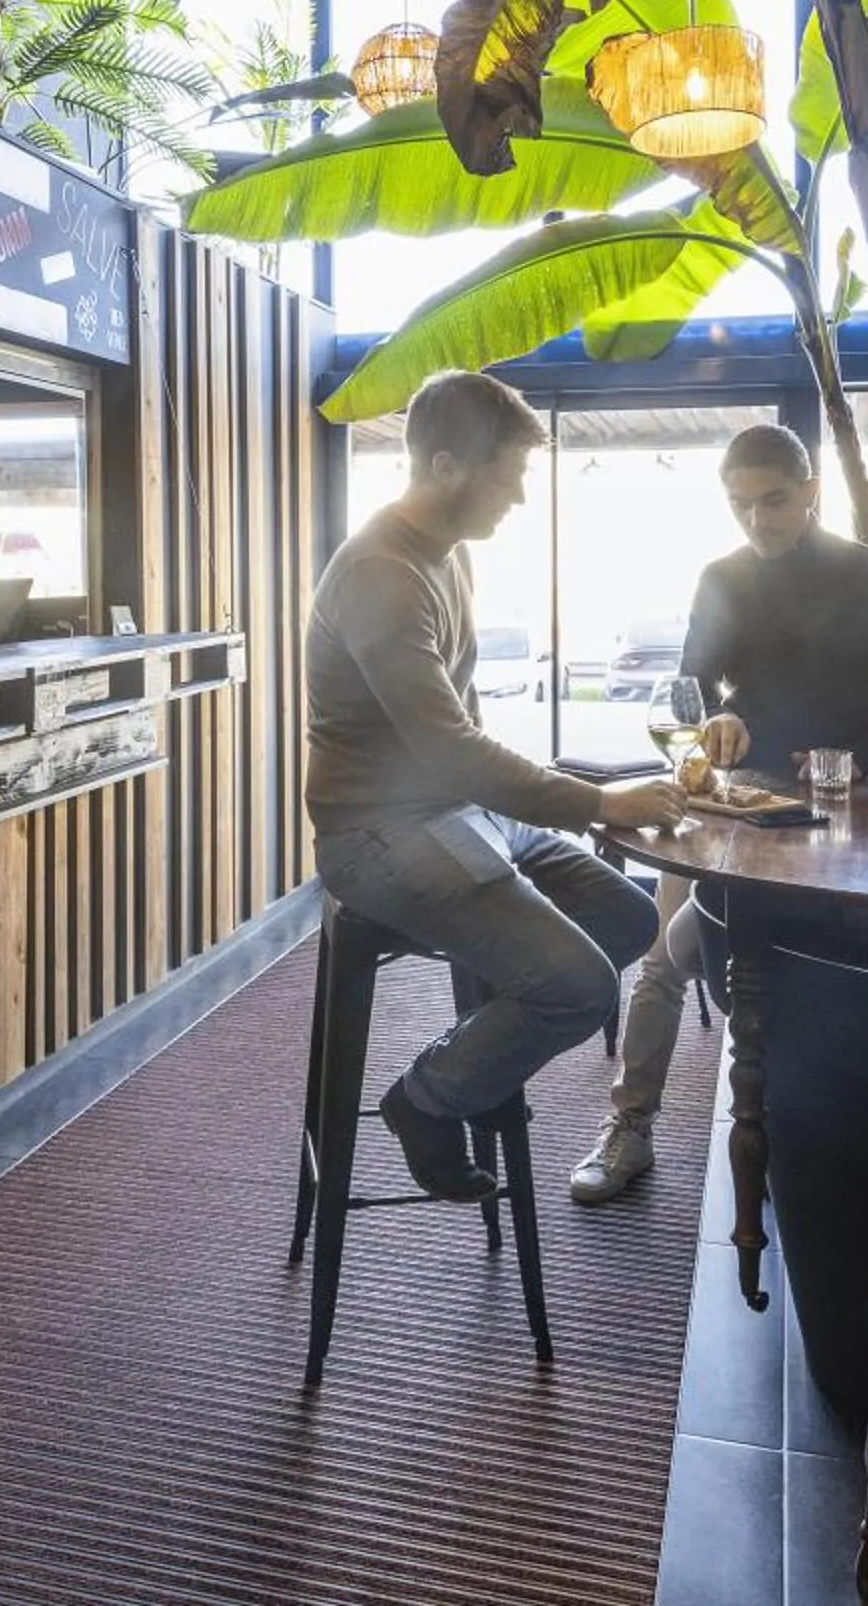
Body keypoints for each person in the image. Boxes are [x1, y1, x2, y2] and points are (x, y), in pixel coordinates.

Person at [309, 370, 689, 1202]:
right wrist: (596, 804)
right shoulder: (381, 572)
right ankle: (427, 1099)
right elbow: (446, 748)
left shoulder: (449, 559)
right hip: (376, 833)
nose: (519, 496)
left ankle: (472, 1055)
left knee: (625, 917)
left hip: (455, 813)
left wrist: (557, 803)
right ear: (447, 467)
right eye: (509, 474)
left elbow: (464, 734)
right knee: (581, 988)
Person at [571, 422, 868, 1203]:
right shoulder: (722, 577)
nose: (757, 521)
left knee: (810, 965)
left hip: (840, 800)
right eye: (740, 505)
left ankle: (802, 1128)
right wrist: (712, 726)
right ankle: (630, 1126)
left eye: (774, 502)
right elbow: (687, 693)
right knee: (667, 956)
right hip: (734, 792)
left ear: (811, 494)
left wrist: (857, 759)